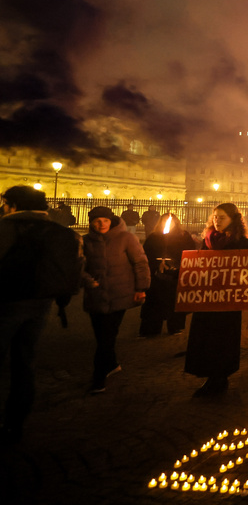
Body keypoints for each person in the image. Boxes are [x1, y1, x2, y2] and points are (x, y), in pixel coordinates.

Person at [0, 186, 82, 444]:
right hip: (41, 303)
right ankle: (15, 422)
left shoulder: (5, 228)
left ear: (12, 205)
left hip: (5, 303)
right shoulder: (62, 233)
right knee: (25, 363)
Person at [184, 203, 248, 398]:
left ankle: (219, 377)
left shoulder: (242, 244)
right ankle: (209, 375)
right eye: (215, 217)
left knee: (223, 339)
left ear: (233, 220)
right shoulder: (208, 240)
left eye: (222, 217)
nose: (217, 221)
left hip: (227, 302)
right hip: (207, 299)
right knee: (205, 338)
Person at [82, 206, 150, 394]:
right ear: (91, 223)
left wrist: (141, 288)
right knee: (101, 336)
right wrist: (87, 280)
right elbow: (78, 266)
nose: (101, 224)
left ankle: (98, 378)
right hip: (95, 295)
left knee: (106, 337)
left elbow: (140, 262)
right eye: (97, 221)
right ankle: (112, 364)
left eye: (104, 220)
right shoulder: (85, 241)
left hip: (119, 294)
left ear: (111, 220)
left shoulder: (126, 238)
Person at [139, 213, 195, 337]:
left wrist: (176, 265)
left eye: (170, 222)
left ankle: (175, 327)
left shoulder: (184, 237)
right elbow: (145, 255)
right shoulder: (153, 237)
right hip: (157, 278)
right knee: (154, 305)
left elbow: (190, 254)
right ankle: (151, 330)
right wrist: (157, 264)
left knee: (175, 303)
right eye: (164, 221)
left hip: (176, 277)